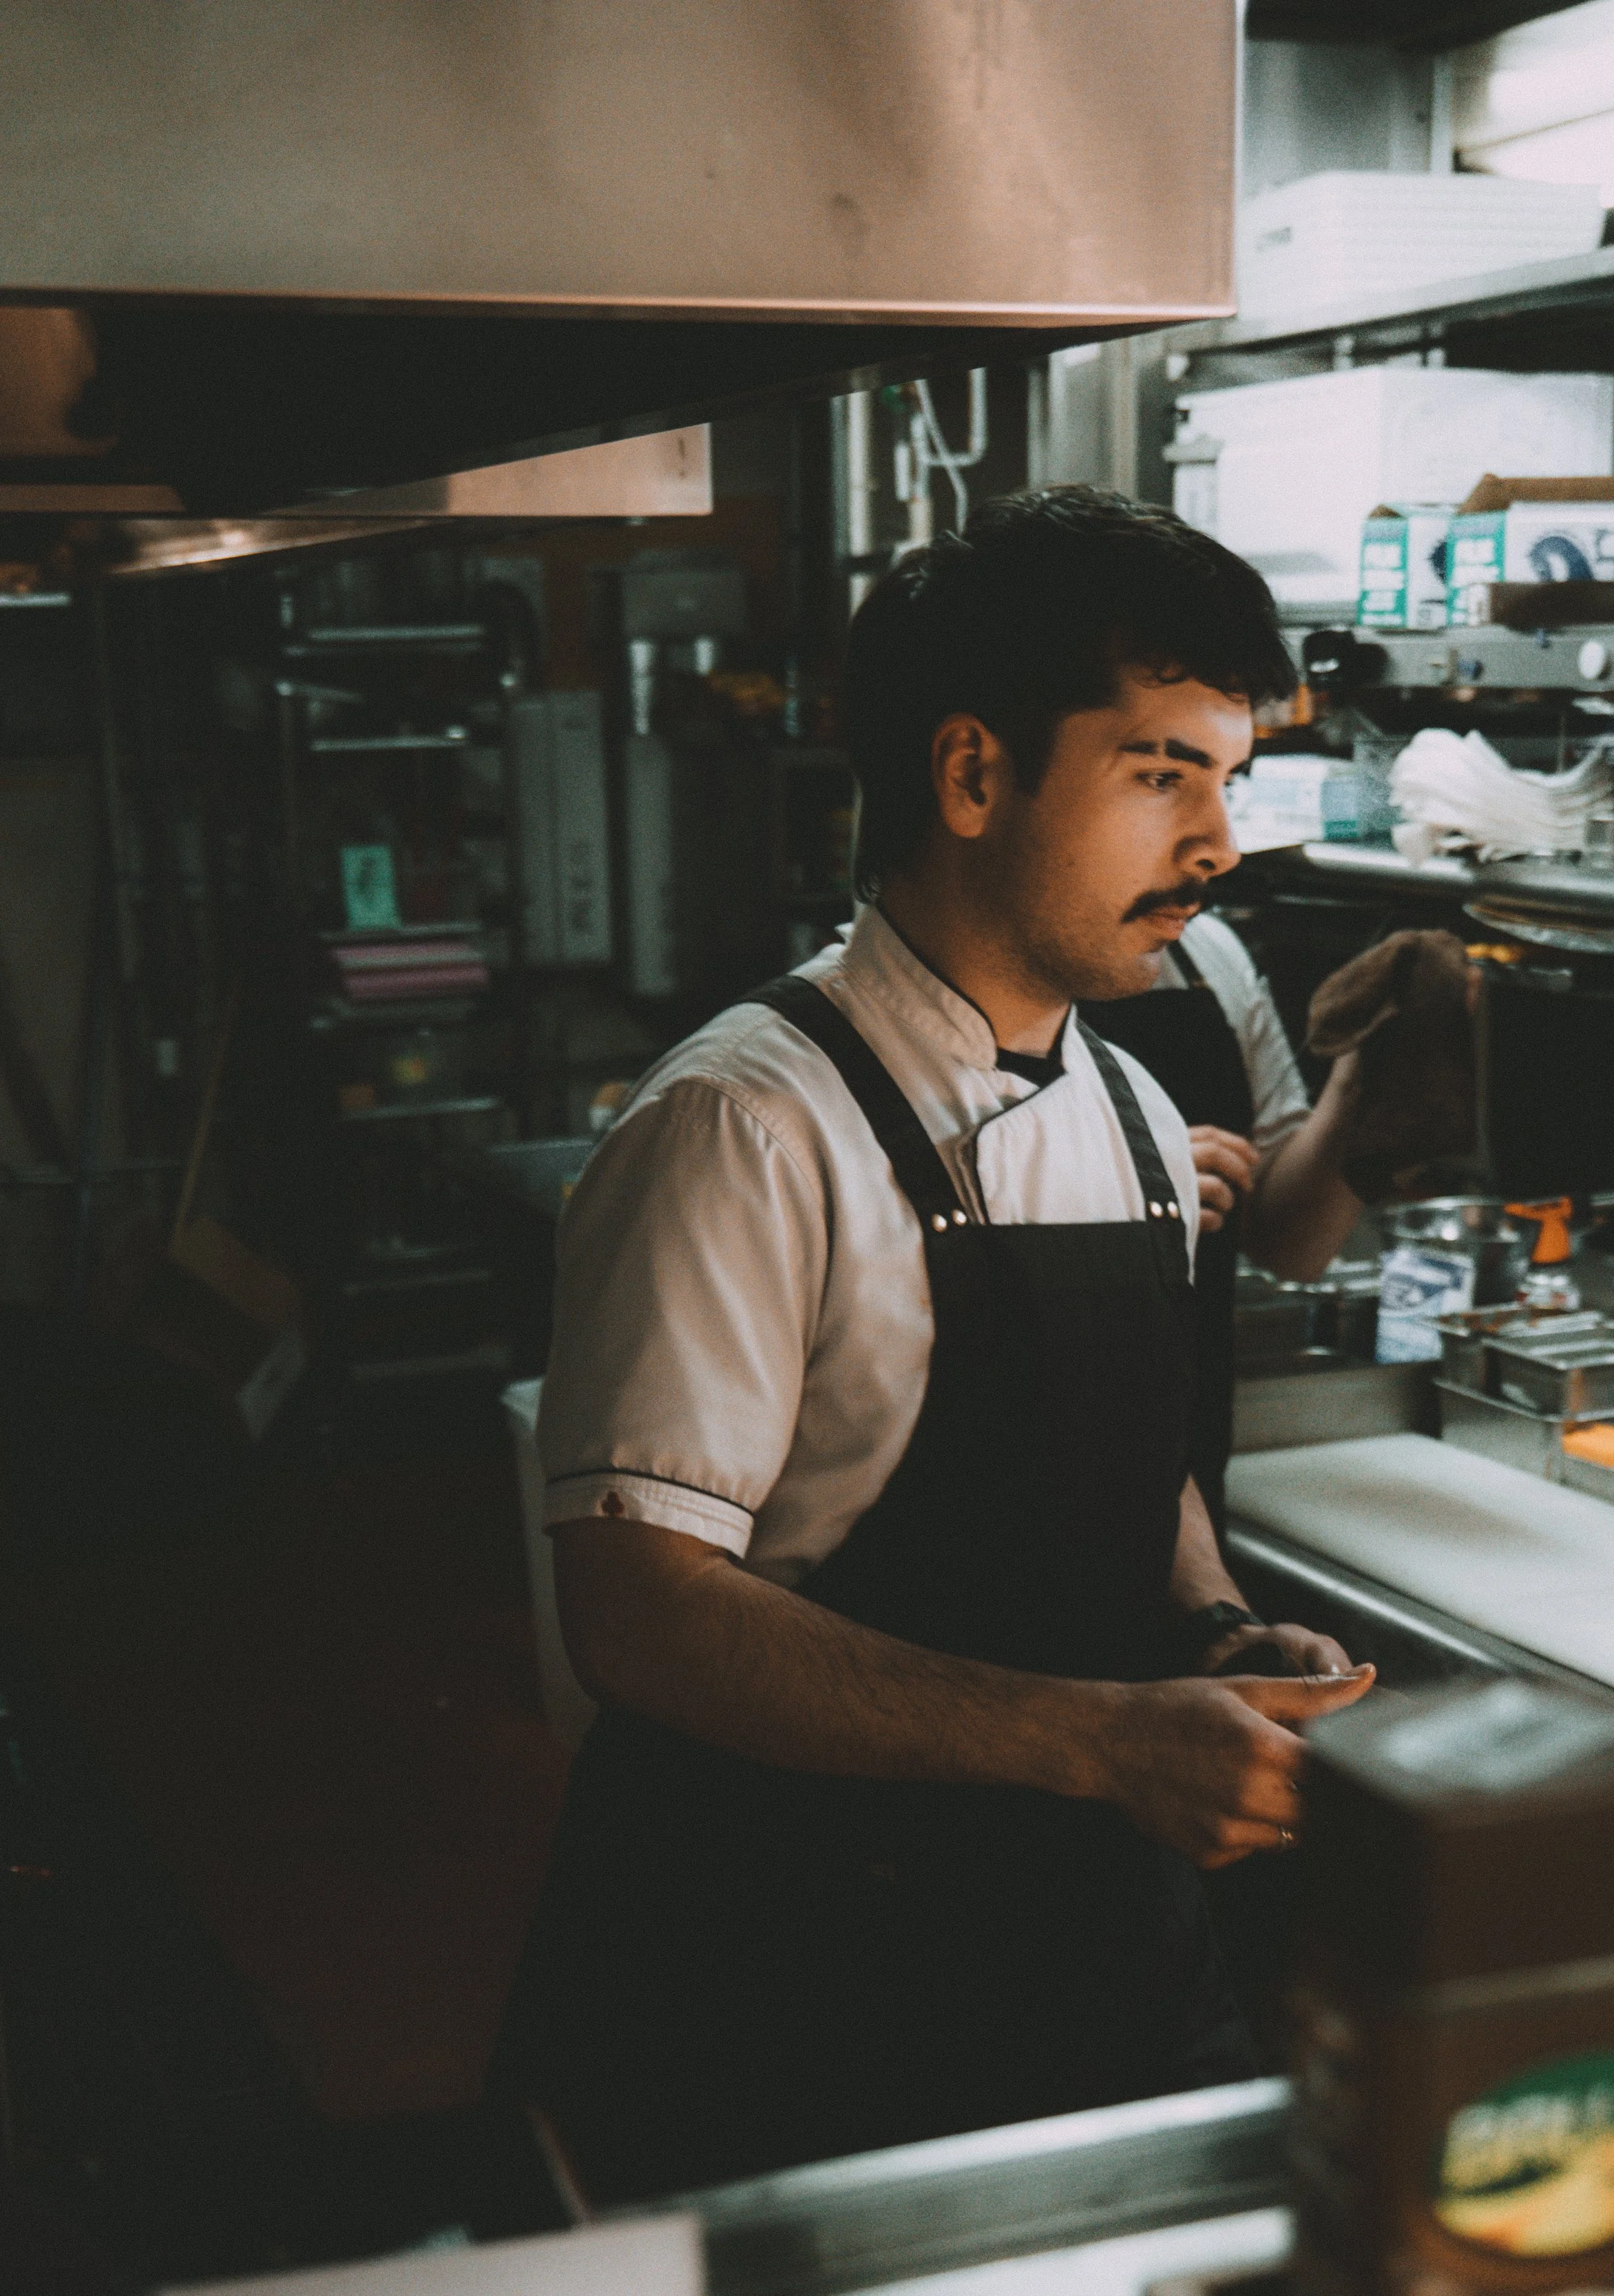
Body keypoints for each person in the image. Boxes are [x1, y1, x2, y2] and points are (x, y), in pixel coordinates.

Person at [494, 487, 1374, 2202]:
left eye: (1230, 779)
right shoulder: (747, 1129)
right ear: (971, 775)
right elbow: (639, 1616)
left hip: (1094, 1963)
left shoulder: (1125, 1101)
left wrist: (1216, 1623)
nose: (1218, 843)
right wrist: (1112, 1740)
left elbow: (1132, 1480)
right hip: (798, 1978)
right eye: (1159, 773)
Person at [1082, 910, 1363, 1527]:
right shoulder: (938, 989)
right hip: (1019, 1485)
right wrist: (1125, 1186)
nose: (1221, 846)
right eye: (1163, 803)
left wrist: (1360, 1075)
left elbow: (1289, 1246)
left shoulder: (1207, 952)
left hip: (1189, 1453)